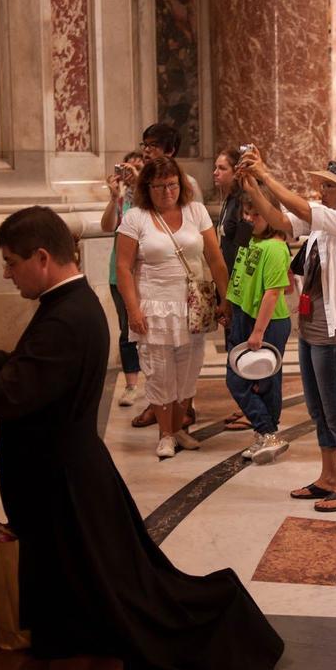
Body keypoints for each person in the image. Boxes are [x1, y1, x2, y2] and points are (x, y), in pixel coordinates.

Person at [0, 206, 283, 670]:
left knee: (109, 588)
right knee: (87, 579)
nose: (6, 274)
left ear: (42, 257)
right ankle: (63, 641)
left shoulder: (65, 316)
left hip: (63, 479)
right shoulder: (70, 303)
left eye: (11, 263)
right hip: (67, 472)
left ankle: (72, 648)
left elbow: (9, 394)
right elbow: (24, 366)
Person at [242, 151, 336, 512]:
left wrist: (267, 174)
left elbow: (303, 211)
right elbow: (279, 221)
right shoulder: (324, 222)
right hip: (312, 324)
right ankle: (328, 477)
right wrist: (252, 187)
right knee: (318, 408)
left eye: (328, 186)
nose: (321, 190)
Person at [116, 156, 229, 459]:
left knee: (188, 369)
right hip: (154, 304)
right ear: (147, 187)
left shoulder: (196, 211)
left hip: (191, 303)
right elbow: (124, 268)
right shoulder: (135, 218)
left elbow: (215, 259)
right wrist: (133, 309)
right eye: (160, 186)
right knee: (160, 371)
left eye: (172, 185)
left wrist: (225, 298)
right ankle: (165, 434)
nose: (167, 192)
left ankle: (179, 428)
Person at [130, 122, 205, 429]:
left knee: (187, 360)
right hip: (154, 295)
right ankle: (164, 422)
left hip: (188, 293)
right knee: (158, 362)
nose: (146, 150)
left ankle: (181, 414)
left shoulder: (191, 200)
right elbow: (126, 261)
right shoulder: (139, 212)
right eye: (144, 144)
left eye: (153, 145)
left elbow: (206, 251)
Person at [224, 186, 292, 464]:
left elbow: (273, 292)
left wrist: (258, 331)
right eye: (247, 213)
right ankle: (266, 434)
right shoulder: (251, 239)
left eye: (257, 214)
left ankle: (267, 431)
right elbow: (239, 275)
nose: (251, 218)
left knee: (254, 381)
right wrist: (229, 306)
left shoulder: (275, 247)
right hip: (244, 314)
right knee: (249, 378)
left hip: (267, 322)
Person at [212, 146, 256, 432]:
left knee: (243, 344)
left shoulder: (243, 202)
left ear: (236, 173)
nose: (216, 173)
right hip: (228, 283)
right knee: (233, 343)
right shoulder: (228, 200)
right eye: (215, 168)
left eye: (222, 168)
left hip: (240, 285)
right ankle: (244, 404)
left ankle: (253, 409)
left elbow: (243, 244)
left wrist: (232, 290)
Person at [100, 150, 145, 407]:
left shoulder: (149, 199)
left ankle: (158, 383)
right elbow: (107, 226)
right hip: (119, 275)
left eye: (137, 168)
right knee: (127, 330)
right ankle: (131, 385)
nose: (131, 173)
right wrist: (113, 197)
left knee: (150, 332)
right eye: (128, 168)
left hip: (144, 275)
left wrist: (139, 181)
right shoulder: (122, 201)